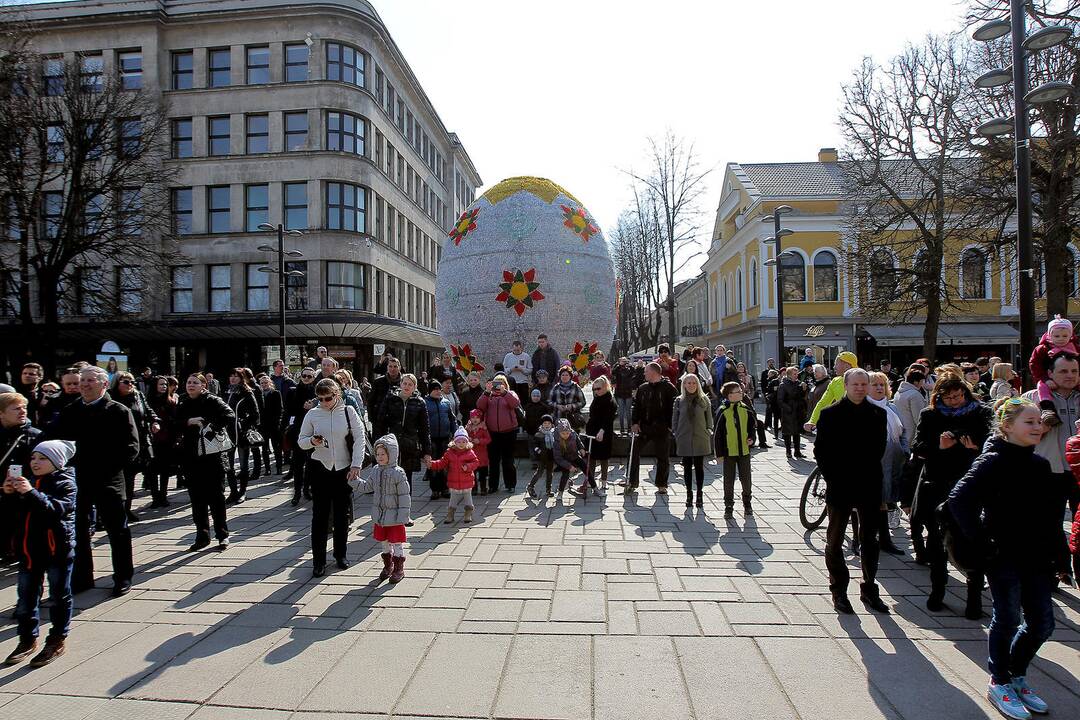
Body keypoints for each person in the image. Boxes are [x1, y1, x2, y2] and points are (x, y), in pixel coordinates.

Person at [949, 398, 1064, 720]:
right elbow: (959, 500)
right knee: (1008, 618)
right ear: (1007, 426)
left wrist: (1060, 555)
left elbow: (1052, 516)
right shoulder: (992, 461)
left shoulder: (1039, 464)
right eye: (1029, 422)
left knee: (1042, 623)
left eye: (1039, 422)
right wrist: (983, 543)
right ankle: (999, 680)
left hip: (1038, 556)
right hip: (1004, 555)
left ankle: (1015, 675)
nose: (1038, 427)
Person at [912, 369, 994, 618]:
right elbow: (918, 447)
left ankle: (973, 600)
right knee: (936, 542)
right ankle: (937, 592)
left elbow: (993, 444)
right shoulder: (930, 415)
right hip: (937, 485)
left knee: (971, 542)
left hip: (970, 486)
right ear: (939, 397)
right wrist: (939, 445)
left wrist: (976, 448)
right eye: (949, 398)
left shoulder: (981, 413)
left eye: (958, 396)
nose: (955, 401)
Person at [51, 366, 138, 595]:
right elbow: (53, 439)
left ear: (104, 384)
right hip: (78, 480)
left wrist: (108, 466)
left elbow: (131, 448)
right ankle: (82, 579)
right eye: (82, 381)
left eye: (90, 381)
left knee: (117, 530)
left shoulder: (118, 411)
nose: (84, 385)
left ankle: (123, 577)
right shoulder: (71, 410)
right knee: (78, 531)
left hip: (108, 479)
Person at [813, 368, 890, 615]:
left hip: (868, 484)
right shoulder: (830, 414)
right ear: (845, 386)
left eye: (863, 384)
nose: (859, 388)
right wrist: (833, 477)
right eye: (855, 384)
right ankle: (839, 591)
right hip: (840, 484)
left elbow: (879, 450)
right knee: (835, 539)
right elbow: (821, 451)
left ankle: (869, 588)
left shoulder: (878, 414)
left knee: (870, 539)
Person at [3, 439, 77, 668]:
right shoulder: (29, 481)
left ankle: (57, 640)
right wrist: (9, 493)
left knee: (58, 596)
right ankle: (27, 639)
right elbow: (14, 514)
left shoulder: (66, 483)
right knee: (25, 599)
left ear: (56, 462)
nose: (35, 462)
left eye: (43, 458)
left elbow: (55, 510)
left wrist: (30, 492)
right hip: (29, 550)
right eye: (34, 458)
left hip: (57, 550)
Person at [1022, 352, 1080, 584]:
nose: (1070, 376)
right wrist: (1039, 428)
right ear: (1050, 373)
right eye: (1064, 371)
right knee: (1049, 524)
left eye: (1074, 371)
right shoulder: (1034, 398)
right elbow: (1015, 433)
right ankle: (1056, 570)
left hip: (1079, 474)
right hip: (1049, 471)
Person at [299, 379, 365, 577]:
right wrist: (312, 441)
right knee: (319, 517)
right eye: (320, 399)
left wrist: (356, 464)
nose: (324, 402)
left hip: (344, 468)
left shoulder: (348, 412)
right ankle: (318, 561)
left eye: (328, 398)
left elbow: (360, 437)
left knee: (341, 515)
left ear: (337, 394)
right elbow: (301, 441)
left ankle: (340, 555)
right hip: (320, 468)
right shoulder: (313, 413)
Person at [175, 373, 234, 552]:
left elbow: (229, 415)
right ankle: (202, 535)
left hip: (212, 457)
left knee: (216, 498)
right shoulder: (183, 402)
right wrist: (188, 422)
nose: (191, 385)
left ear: (203, 385)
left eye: (195, 383)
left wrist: (210, 426)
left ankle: (222, 535)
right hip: (191, 457)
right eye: (188, 382)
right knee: (196, 499)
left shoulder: (212, 400)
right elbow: (173, 423)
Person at [354, 435, 411, 583]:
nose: (379, 457)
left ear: (391, 455)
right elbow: (367, 486)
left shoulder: (398, 473)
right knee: (384, 542)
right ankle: (388, 565)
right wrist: (354, 481)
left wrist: (404, 516)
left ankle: (399, 567)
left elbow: (404, 496)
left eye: (383, 454)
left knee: (397, 542)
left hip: (395, 517)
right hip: (380, 516)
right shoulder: (375, 470)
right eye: (377, 454)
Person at [378, 373, 432, 519]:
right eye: (405, 383)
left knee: (406, 479)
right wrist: (380, 443)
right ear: (401, 384)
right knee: (390, 478)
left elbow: (424, 429)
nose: (407, 386)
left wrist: (426, 451)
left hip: (410, 445)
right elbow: (381, 421)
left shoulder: (419, 402)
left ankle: (405, 514)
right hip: (392, 444)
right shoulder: (391, 398)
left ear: (414, 387)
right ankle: (389, 511)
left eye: (410, 384)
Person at [867, 371, 908, 557]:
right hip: (873, 463)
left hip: (893, 461)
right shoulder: (864, 408)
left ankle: (884, 539)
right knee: (871, 502)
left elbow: (903, 432)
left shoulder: (892, 408)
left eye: (882, 385)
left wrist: (905, 450)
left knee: (885, 500)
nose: (879, 388)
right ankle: (867, 539)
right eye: (874, 384)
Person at [112, 371, 160, 523]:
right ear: (117, 383)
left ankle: (128, 509)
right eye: (125, 382)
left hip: (140, 440)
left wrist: (154, 421)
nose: (130, 385)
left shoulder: (138, 395)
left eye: (132, 381)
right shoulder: (112, 398)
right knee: (125, 478)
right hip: (121, 442)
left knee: (135, 476)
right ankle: (119, 510)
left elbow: (148, 411)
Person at [0, 393, 43, 564]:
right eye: (16, 408)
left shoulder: (36, 436)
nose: (22, 411)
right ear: (1, 413)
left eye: (24, 407)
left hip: (25, 493)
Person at [625, 361, 678, 496]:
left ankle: (662, 484)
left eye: (646, 371)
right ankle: (632, 482)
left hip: (662, 427)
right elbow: (636, 407)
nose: (644, 373)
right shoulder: (643, 388)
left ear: (654, 372)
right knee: (633, 452)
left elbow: (676, 408)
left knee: (663, 457)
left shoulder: (669, 388)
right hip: (645, 427)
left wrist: (672, 426)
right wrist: (635, 422)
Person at [713, 382, 756, 517]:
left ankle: (747, 503)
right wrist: (719, 454)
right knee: (729, 480)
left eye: (740, 391)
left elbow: (751, 428)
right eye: (738, 391)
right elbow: (717, 435)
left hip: (744, 451)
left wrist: (752, 438)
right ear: (729, 396)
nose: (741, 393)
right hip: (728, 452)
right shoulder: (722, 411)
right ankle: (728, 505)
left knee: (746, 479)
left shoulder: (745, 409)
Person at [672, 373, 713, 510]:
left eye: (694, 383)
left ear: (698, 384)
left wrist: (709, 430)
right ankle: (689, 493)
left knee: (700, 467)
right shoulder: (679, 400)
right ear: (684, 384)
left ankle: (700, 494)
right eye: (688, 383)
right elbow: (675, 419)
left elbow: (709, 419)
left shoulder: (704, 400)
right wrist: (676, 432)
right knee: (687, 467)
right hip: (684, 436)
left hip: (700, 436)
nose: (691, 385)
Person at [1029, 315, 1079, 425]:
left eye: (1064, 336)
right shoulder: (1043, 348)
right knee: (1042, 387)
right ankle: (1048, 410)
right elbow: (1034, 364)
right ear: (1049, 335)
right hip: (1047, 378)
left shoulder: (1075, 347)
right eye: (1057, 336)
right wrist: (1045, 379)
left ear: (1070, 335)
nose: (1061, 339)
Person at [477, 374, 520, 493]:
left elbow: (515, 403)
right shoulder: (488, 396)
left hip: (509, 432)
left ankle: (510, 484)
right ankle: (493, 485)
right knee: (493, 460)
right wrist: (486, 392)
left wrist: (504, 392)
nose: (498, 386)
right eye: (496, 383)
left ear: (505, 385)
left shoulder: (511, 394)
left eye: (501, 383)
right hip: (492, 432)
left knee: (508, 460)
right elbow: (480, 406)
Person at [426, 427, 479, 524]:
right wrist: (432, 464)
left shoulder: (469, 452)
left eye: (464, 441)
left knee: (468, 498)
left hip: (467, 481)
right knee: (453, 499)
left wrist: (468, 466)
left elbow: (475, 463)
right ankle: (450, 513)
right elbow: (442, 463)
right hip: (453, 481)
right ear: (454, 442)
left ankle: (468, 512)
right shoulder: (449, 453)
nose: (461, 444)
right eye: (459, 441)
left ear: (467, 442)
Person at [224, 368, 261, 504]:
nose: (233, 378)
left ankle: (242, 491)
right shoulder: (227, 392)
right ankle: (233, 491)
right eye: (231, 375)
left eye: (236, 376)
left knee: (244, 464)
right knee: (229, 465)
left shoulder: (247, 393)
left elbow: (255, 415)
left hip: (241, 433)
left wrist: (244, 424)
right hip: (228, 433)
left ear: (242, 378)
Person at [284, 367, 318, 505]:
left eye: (309, 376)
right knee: (297, 463)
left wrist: (312, 406)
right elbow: (288, 410)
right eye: (304, 375)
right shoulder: (293, 391)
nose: (306, 378)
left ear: (314, 378)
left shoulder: (316, 391)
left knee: (311, 463)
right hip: (298, 431)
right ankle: (297, 493)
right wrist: (302, 407)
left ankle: (306, 490)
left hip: (314, 431)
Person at [146, 376, 179, 507]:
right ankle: (155, 497)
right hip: (153, 438)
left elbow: (175, 419)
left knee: (165, 469)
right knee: (152, 470)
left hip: (167, 438)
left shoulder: (171, 401)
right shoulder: (148, 401)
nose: (164, 387)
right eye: (161, 384)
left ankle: (163, 495)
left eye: (165, 385)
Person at [805, 351, 858, 431]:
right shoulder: (835, 381)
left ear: (846, 366)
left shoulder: (866, 379)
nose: (834, 367)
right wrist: (812, 421)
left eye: (836, 364)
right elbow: (823, 403)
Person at [423, 380, 458, 499]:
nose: (438, 391)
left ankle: (445, 488)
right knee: (433, 465)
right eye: (435, 389)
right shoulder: (425, 403)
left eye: (439, 389)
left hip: (445, 438)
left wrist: (455, 433)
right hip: (430, 439)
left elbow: (452, 420)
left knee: (445, 464)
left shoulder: (446, 403)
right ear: (430, 391)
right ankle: (435, 489)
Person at [584, 375, 616, 493]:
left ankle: (604, 481)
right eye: (594, 389)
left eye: (598, 389)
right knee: (591, 457)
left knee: (604, 457)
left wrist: (602, 431)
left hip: (604, 431)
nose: (596, 391)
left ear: (605, 387)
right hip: (592, 429)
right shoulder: (596, 398)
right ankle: (590, 481)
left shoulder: (610, 400)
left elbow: (609, 419)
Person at [553, 418, 588, 500]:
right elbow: (558, 458)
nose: (566, 435)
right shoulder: (557, 441)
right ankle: (560, 492)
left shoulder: (572, 433)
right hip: (563, 459)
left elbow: (578, 440)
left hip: (574, 456)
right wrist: (569, 466)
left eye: (567, 433)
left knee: (585, 467)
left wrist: (581, 448)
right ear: (559, 432)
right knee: (565, 474)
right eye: (563, 433)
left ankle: (594, 487)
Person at [776, 366, 807, 459]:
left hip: (798, 411)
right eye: (794, 374)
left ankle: (797, 451)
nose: (796, 375)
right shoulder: (783, 385)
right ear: (789, 375)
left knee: (797, 432)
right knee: (787, 432)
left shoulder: (798, 383)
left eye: (797, 373)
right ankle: (788, 451)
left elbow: (801, 396)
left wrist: (804, 389)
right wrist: (788, 408)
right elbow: (780, 400)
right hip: (788, 412)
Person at [258, 373, 284, 475]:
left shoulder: (276, 393)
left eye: (266, 383)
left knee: (276, 447)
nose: (264, 385)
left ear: (270, 383)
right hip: (263, 425)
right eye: (262, 383)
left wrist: (278, 421)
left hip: (274, 424)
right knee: (264, 449)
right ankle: (267, 468)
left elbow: (280, 409)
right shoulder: (259, 394)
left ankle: (279, 467)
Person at [369, 357, 402, 438]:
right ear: (387, 367)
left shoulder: (404, 382)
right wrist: (373, 419)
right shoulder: (378, 382)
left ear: (399, 367)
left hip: (398, 421)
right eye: (390, 366)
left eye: (395, 366)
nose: (392, 369)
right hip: (380, 422)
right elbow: (371, 401)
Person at [527, 414, 556, 499]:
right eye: (545, 423)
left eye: (548, 423)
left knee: (550, 474)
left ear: (551, 424)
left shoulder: (554, 433)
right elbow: (534, 445)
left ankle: (548, 489)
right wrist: (539, 451)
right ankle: (531, 486)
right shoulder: (539, 434)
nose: (547, 425)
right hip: (542, 457)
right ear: (542, 424)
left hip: (551, 457)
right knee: (539, 473)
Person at [549, 365, 586, 431]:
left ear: (570, 376)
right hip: (558, 418)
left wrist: (572, 406)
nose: (564, 377)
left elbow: (583, 402)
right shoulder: (555, 387)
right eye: (563, 375)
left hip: (573, 419)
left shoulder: (576, 387)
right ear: (560, 376)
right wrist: (557, 406)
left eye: (567, 375)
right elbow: (549, 401)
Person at [465, 409, 491, 495]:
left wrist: (479, 441)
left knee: (483, 474)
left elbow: (488, 439)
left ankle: (483, 488)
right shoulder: (468, 428)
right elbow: (464, 439)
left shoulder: (483, 428)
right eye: (473, 417)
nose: (475, 419)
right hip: (471, 456)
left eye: (477, 417)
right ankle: (474, 488)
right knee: (472, 474)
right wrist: (469, 440)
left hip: (482, 456)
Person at [612, 356, 637, 435]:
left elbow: (634, 372)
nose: (623, 362)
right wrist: (619, 365)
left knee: (628, 411)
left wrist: (629, 364)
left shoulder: (630, 368)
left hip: (628, 392)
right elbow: (613, 372)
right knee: (621, 411)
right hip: (619, 393)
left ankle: (629, 428)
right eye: (622, 361)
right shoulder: (618, 369)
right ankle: (622, 428)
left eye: (624, 361)